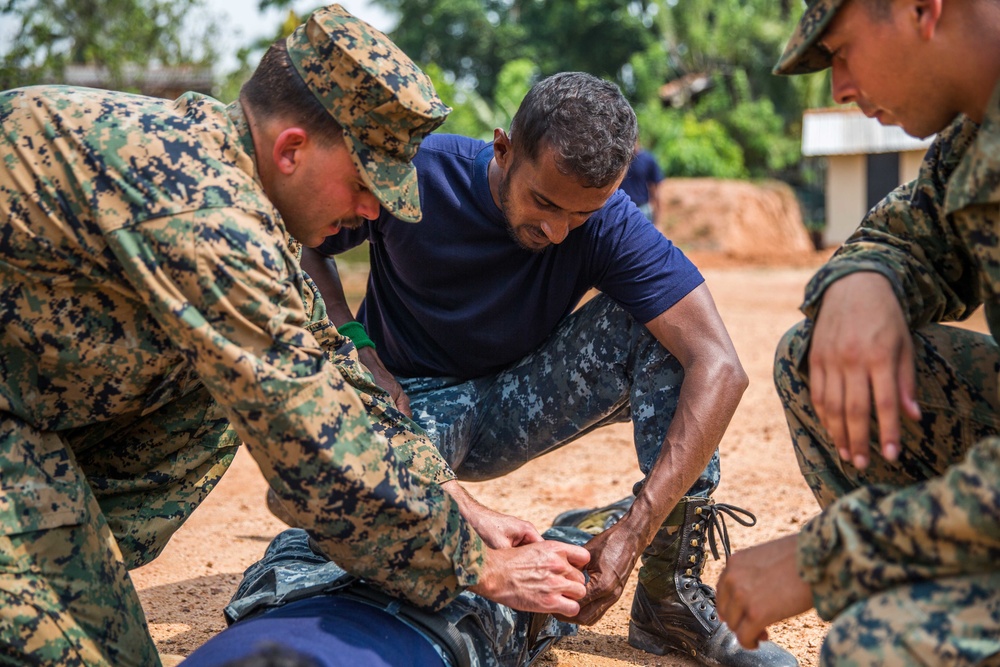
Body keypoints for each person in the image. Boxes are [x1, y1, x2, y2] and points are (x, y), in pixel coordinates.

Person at [0, 5, 590, 665]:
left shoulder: (233, 185)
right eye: (368, 185)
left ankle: (64, 546)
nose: (372, 211)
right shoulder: (204, 210)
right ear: (291, 150)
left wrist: (451, 501)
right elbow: (309, 449)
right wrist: (473, 566)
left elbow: (336, 373)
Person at [300, 70, 798, 667]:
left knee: (668, 341)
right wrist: (357, 347)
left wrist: (635, 531)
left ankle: (667, 601)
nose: (557, 230)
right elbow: (309, 248)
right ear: (503, 149)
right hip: (411, 406)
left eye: (580, 216)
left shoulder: (609, 218)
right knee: (367, 546)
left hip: (519, 398)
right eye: (543, 202)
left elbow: (720, 365)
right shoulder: (420, 173)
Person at [715, 0, 1000, 665]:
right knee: (813, 358)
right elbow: (899, 234)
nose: (839, 87)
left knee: (875, 646)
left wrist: (829, 554)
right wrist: (864, 279)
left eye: (841, 51)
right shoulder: (974, 138)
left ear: (922, 9)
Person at [180, 521, 597, 667]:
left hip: (290, 589)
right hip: (441, 618)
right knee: (566, 567)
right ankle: (585, 525)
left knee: (296, 535)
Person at [619, 139, 665, 222]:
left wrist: (658, 214)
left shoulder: (648, 160)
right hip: (622, 209)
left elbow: (655, 188)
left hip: (642, 208)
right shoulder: (620, 160)